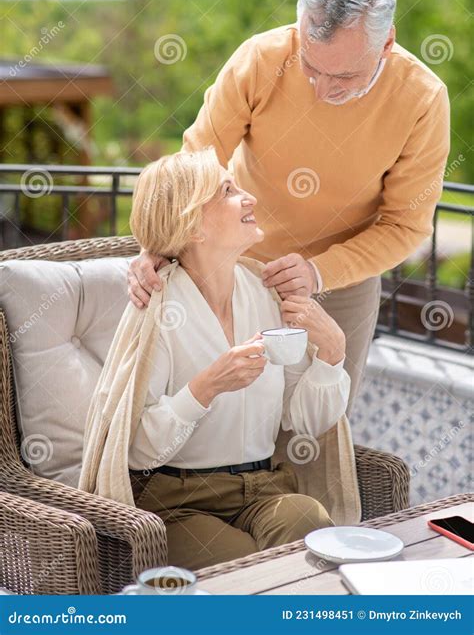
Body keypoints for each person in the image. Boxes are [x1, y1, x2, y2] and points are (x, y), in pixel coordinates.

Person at [127, 0, 450, 413]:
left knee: (319, 421)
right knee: (222, 413)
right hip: (232, 265)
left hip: (341, 280)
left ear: (387, 44)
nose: (321, 90)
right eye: (312, 68)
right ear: (300, 33)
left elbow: (406, 225)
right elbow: (195, 162)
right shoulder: (260, 59)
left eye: (344, 78)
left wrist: (319, 272)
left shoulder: (423, 99)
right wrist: (155, 245)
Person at [125, 146, 351, 570]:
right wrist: (206, 386)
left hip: (266, 488)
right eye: (228, 191)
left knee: (309, 525)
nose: (249, 197)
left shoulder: (266, 295)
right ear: (192, 225)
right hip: (179, 501)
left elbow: (305, 421)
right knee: (245, 569)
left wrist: (332, 353)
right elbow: (138, 449)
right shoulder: (156, 307)